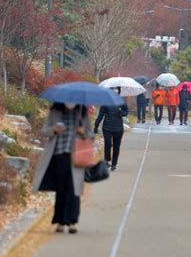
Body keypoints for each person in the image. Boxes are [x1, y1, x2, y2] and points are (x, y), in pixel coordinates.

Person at [33, 103, 93, 234]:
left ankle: (72, 221)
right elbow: (44, 130)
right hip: (58, 155)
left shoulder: (82, 113)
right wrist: (54, 130)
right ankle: (60, 221)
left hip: (76, 156)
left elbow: (90, 134)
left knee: (74, 189)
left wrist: (83, 132)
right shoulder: (55, 112)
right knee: (61, 189)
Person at [94, 87, 129, 171]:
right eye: (113, 89)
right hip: (107, 127)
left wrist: (121, 112)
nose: (115, 91)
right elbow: (101, 114)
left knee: (116, 146)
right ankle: (107, 160)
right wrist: (96, 125)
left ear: (119, 91)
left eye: (116, 89)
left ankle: (114, 163)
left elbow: (126, 111)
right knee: (108, 144)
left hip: (118, 128)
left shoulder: (121, 101)